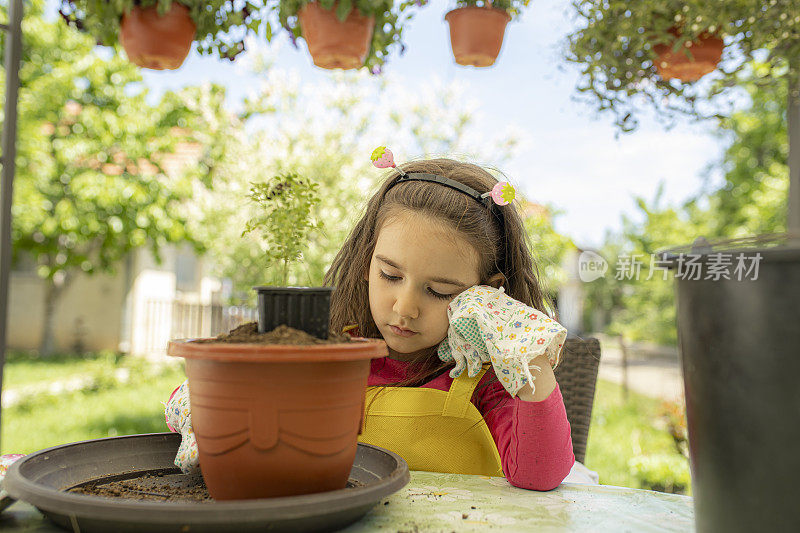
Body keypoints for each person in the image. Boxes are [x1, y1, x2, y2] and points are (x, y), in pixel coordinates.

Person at [165, 149, 597, 490]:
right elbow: (201, 403)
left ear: (486, 293)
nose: (404, 307)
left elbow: (540, 475)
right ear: (366, 261)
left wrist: (525, 349)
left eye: (440, 291)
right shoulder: (335, 357)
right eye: (390, 275)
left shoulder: (487, 381)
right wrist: (208, 406)